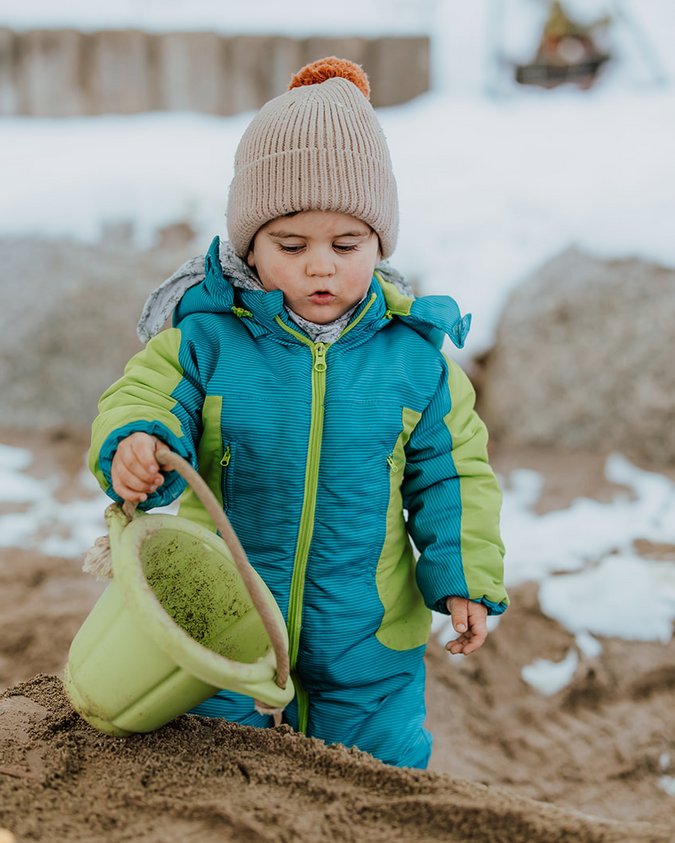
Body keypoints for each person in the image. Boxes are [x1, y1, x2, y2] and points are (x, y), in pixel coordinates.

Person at [89, 57, 508, 769]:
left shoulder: (414, 360)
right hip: (224, 612)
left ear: (380, 244)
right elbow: (144, 395)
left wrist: (465, 573)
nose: (321, 266)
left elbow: (453, 475)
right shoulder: (206, 339)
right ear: (248, 246)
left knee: (379, 768)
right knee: (209, 757)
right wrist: (137, 439)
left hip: (365, 627)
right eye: (292, 245)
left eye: (346, 246)